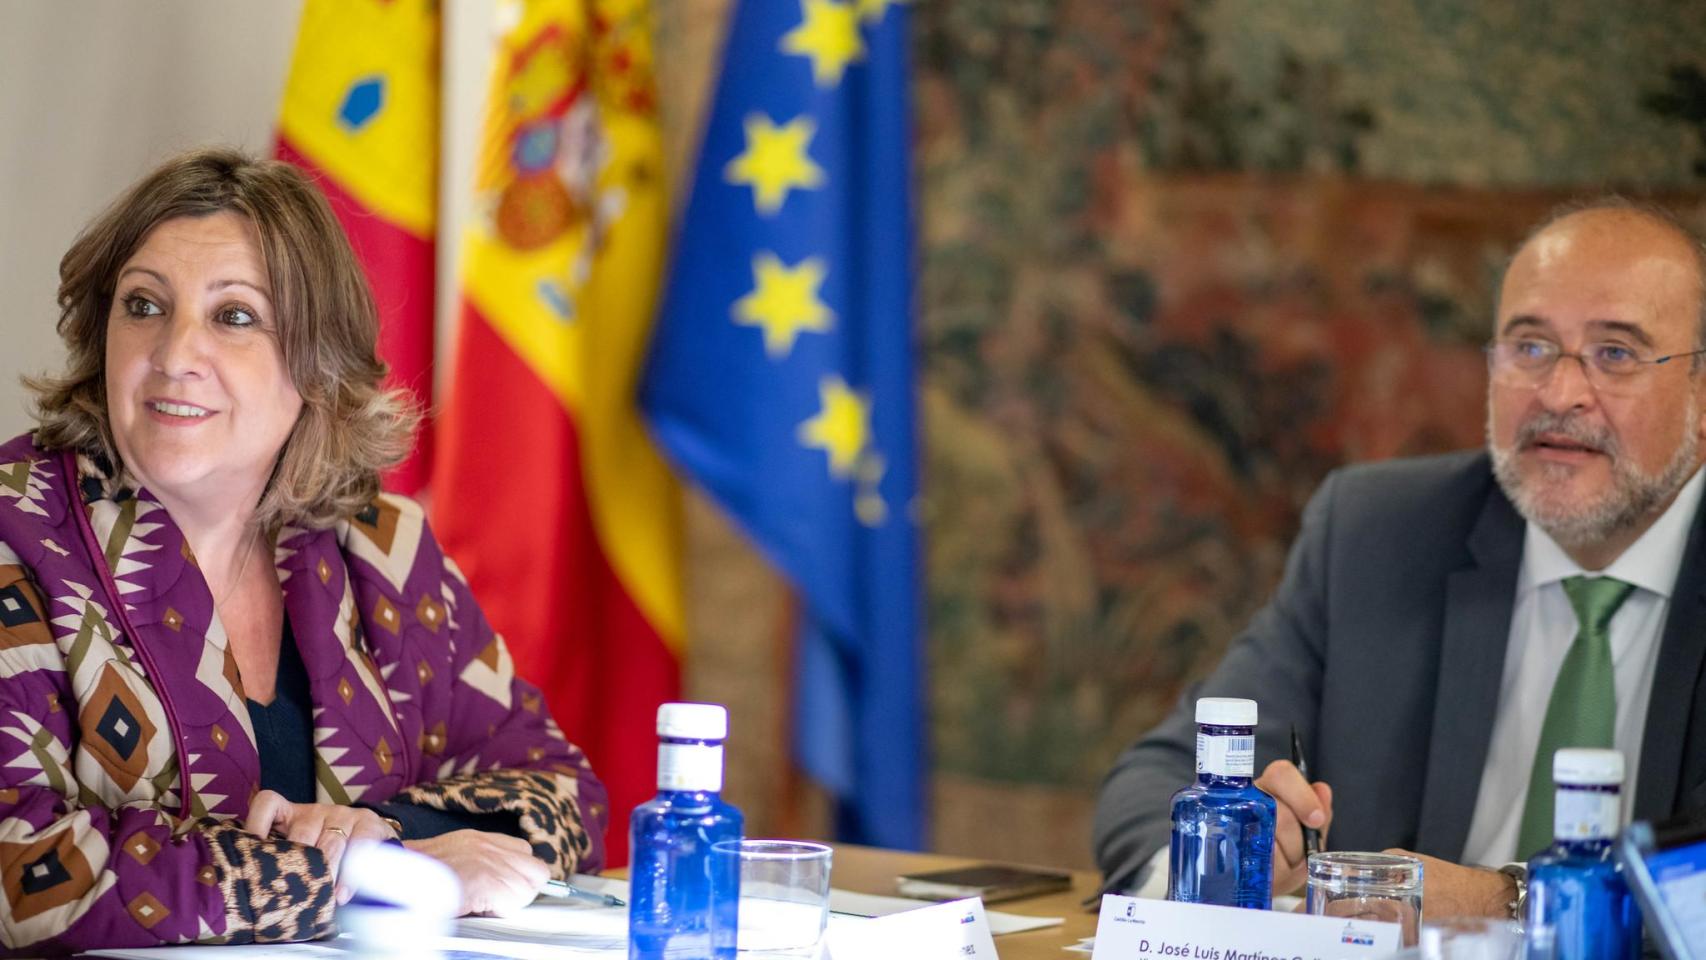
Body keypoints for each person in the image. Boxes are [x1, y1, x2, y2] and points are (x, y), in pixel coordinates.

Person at [0, 148, 607, 954]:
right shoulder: (18, 534)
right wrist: (381, 873)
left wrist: (385, 831)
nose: (175, 354)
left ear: (317, 362)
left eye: (235, 316)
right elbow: (22, 872)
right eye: (142, 305)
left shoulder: (379, 546)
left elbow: (565, 794)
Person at [1093, 199, 1706, 920]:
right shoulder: (1379, 534)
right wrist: (1233, 853)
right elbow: (1150, 785)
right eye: (1530, 347)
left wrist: (1505, 902)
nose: (1561, 394)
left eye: (1616, 354)